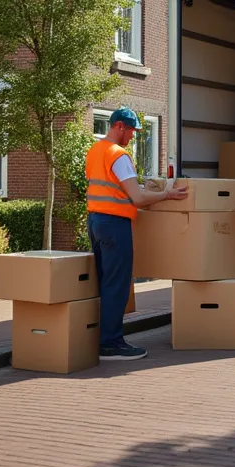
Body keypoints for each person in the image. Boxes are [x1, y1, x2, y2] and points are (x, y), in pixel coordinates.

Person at [86, 107, 187, 361]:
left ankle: (105, 339)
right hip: (115, 224)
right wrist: (167, 194)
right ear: (119, 126)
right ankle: (110, 343)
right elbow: (138, 198)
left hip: (96, 221)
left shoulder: (95, 151)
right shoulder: (118, 155)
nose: (132, 136)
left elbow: (112, 189)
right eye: (131, 130)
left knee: (106, 282)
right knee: (117, 284)